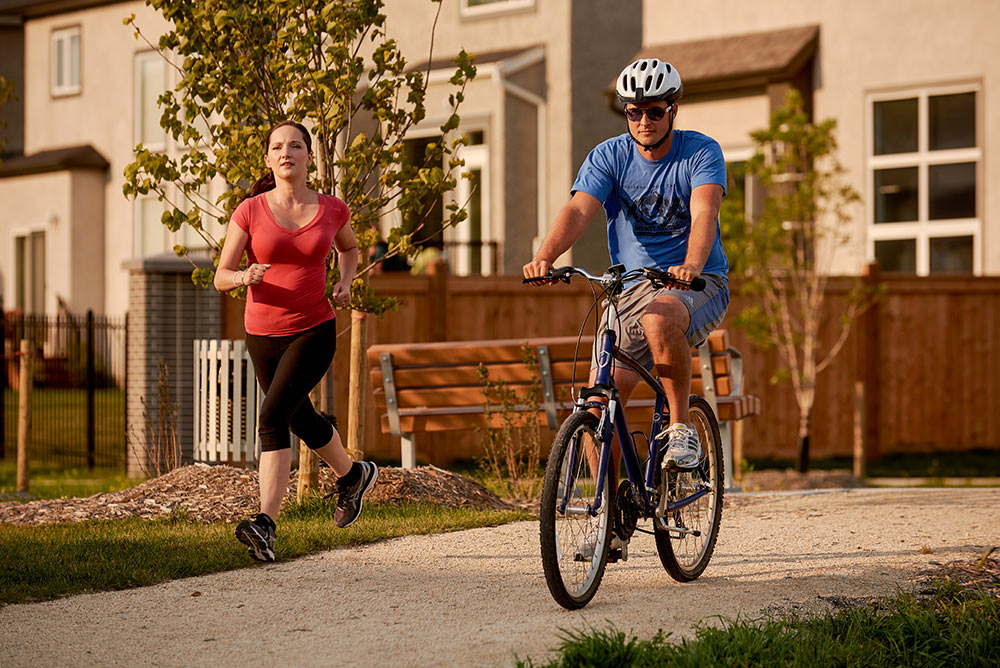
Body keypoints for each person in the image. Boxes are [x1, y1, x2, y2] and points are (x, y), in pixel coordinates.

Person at [523, 59, 729, 554]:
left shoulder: (701, 152)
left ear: (672, 109)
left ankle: (679, 431)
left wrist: (689, 265)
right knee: (598, 402)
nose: (643, 122)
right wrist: (546, 256)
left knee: (661, 319)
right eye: (633, 112)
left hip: (698, 281)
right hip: (628, 286)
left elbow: (705, 212)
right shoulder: (608, 156)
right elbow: (578, 209)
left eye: (654, 111)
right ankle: (614, 512)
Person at [214, 120, 379, 562]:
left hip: (313, 328)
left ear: (309, 157)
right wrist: (242, 276)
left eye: (295, 146)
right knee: (298, 417)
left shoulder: (332, 209)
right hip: (261, 334)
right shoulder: (249, 211)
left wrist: (344, 282)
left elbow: (349, 249)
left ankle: (264, 525)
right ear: (268, 159)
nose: (286, 152)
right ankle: (352, 476)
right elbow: (219, 276)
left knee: (271, 417)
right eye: (277, 147)